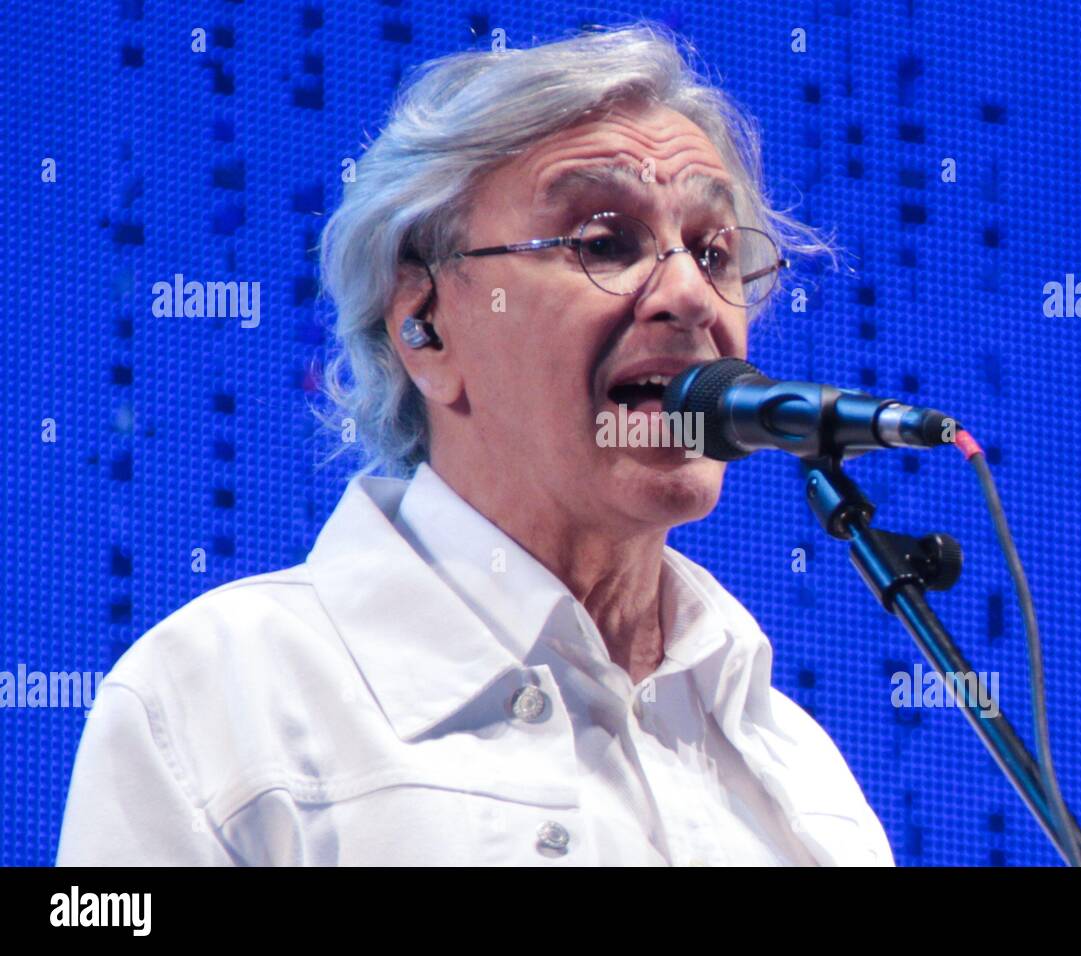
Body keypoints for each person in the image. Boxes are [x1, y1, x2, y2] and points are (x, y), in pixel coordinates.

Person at [57, 21, 894, 866]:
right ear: (425, 327)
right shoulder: (217, 700)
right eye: (603, 242)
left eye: (713, 253)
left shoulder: (801, 781)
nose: (687, 293)